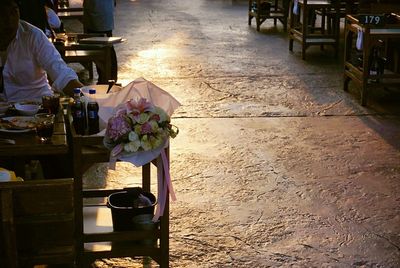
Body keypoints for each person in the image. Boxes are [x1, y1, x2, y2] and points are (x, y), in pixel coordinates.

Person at [0, 0, 83, 102]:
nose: (9, 20)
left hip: (38, 108)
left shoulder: (33, 36)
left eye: (14, 12)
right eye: (2, 14)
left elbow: (61, 73)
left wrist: (87, 98)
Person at [83, 0, 118, 84]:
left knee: (99, 47)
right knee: (106, 46)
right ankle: (108, 77)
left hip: (97, 11)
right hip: (103, 11)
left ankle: (106, 77)